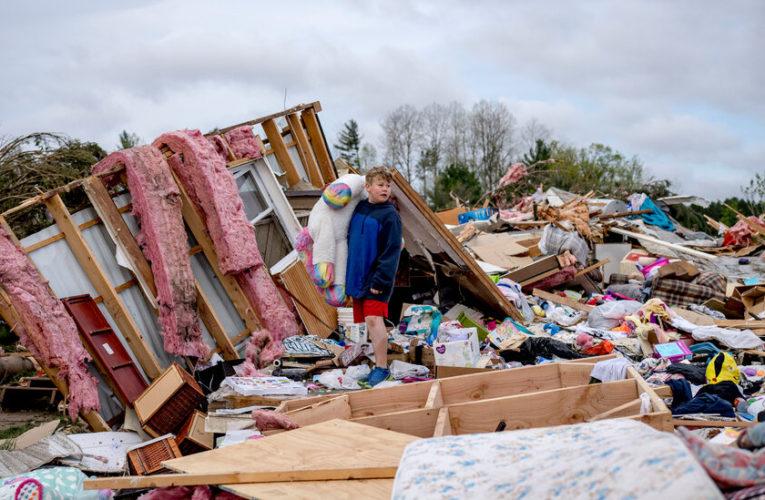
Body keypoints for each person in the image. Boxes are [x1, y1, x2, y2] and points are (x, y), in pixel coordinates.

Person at [345, 166, 403, 387]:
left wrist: (380, 281)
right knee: (368, 323)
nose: (385, 189)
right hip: (358, 276)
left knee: (374, 320)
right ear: (368, 187)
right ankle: (374, 366)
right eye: (380, 185)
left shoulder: (390, 216)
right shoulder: (360, 208)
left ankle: (382, 368)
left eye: (388, 186)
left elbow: (392, 252)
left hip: (377, 279)